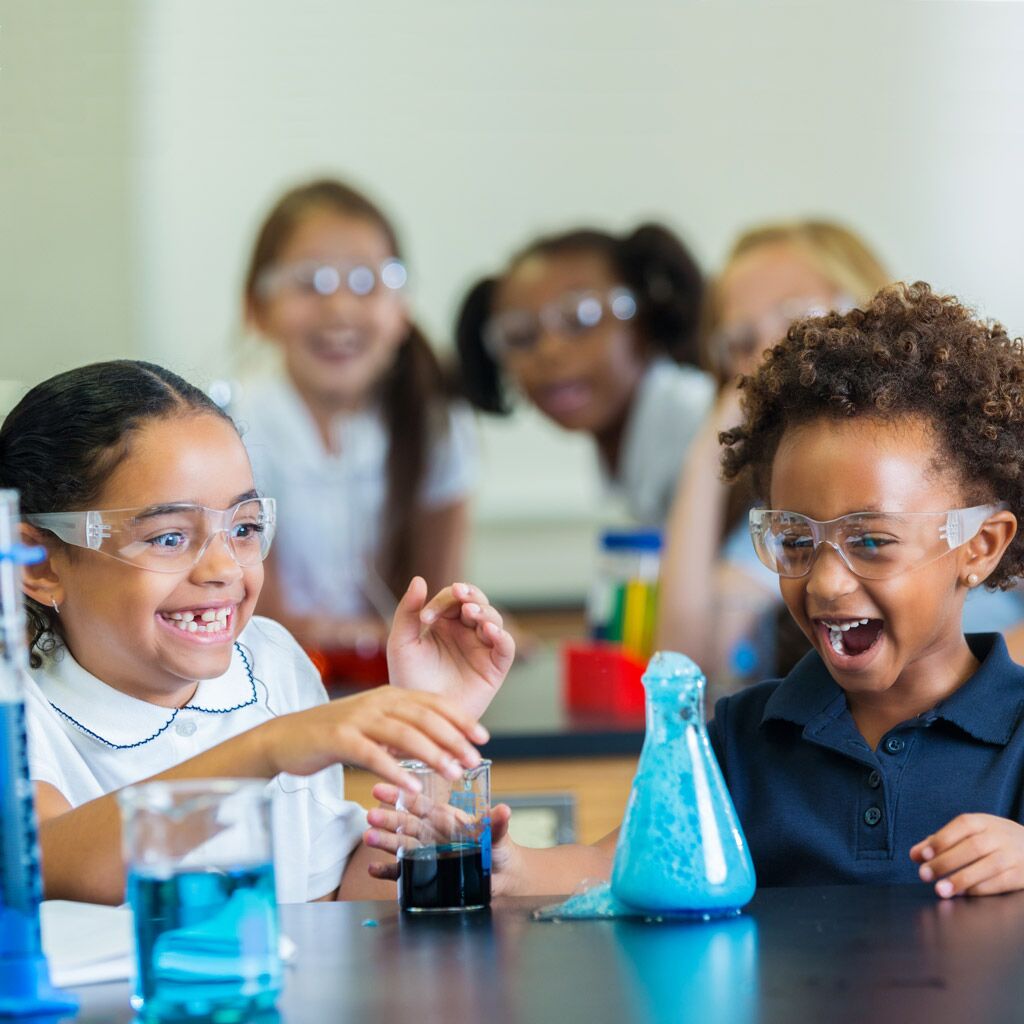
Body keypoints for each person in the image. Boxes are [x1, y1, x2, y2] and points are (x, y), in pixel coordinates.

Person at [368, 283, 1024, 899]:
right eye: (796, 542)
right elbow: (611, 866)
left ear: (980, 546)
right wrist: (504, 865)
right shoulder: (744, 737)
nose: (825, 582)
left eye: (871, 542)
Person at [3, 360, 513, 905]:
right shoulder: (17, 703)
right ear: (38, 563)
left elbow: (327, 903)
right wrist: (271, 748)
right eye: (169, 537)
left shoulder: (270, 663)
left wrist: (425, 749)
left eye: (244, 528)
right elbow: (50, 861)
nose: (222, 568)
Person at [235, 178, 477, 652]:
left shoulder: (439, 425)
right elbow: (262, 615)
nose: (340, 307)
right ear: (257, 308)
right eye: (310, 283)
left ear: (401, 308)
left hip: (397, 685)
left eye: (366, 283)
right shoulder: (234, 427)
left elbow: (441, 599)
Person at [657, 220, 892, 685]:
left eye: (798, 318)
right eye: (742, 342)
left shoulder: (972, 449)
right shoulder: (787, 510)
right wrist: (708, 454)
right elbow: (685, 674)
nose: (770, 352)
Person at [456, 224, 715, 526]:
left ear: (644, 318)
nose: (549, 352)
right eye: (520, 335)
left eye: (581, 318)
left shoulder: (697, 427)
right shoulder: (628, 439)